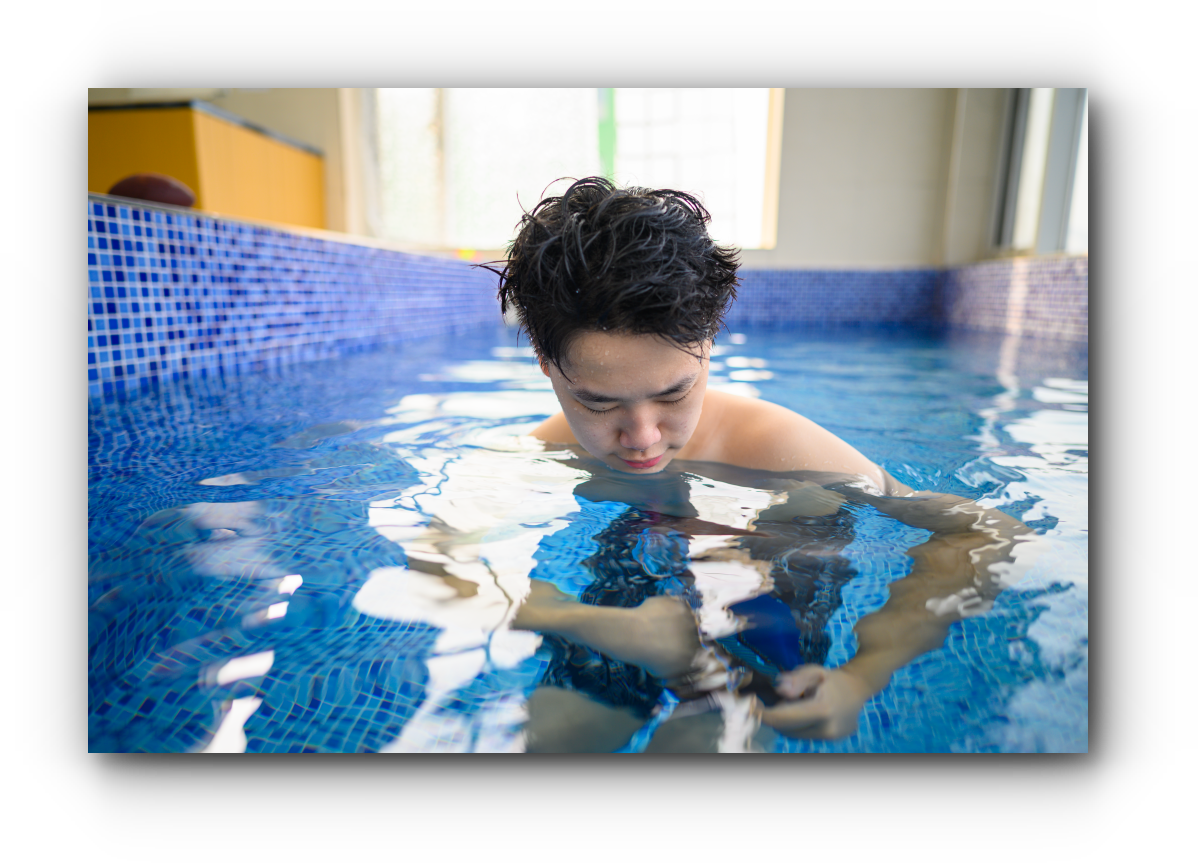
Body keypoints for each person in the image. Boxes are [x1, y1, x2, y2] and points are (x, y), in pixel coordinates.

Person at [479, 177, 1036, 751]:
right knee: (557, 738)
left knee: (707, 739)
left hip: (769, 594)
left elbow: (987, 531)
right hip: (636, 588)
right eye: (598, 403)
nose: (643, 438)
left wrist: (862, 677)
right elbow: (445, 569)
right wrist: (591, 623)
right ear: (545, 363)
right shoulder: (540, 449)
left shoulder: (783, 450)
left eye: (674, 394)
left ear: (708, 344)